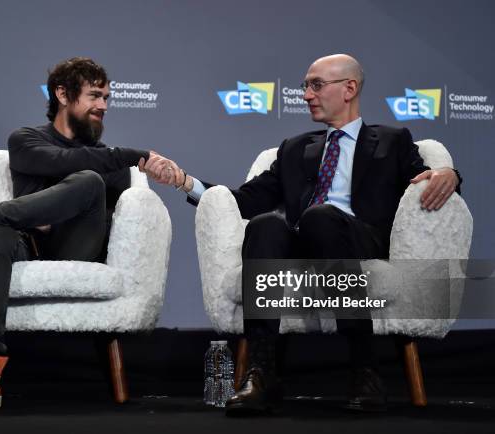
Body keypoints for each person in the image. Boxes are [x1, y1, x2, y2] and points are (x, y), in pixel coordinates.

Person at [143, 54, 462, 414]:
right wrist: (184, 182)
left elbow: (426, 179)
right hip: (304, 236)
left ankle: (364, 368)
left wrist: (450, 173)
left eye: (316, 85)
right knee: (265, 225)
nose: (306, 95)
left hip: (360, 238)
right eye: (304, 86)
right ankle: (262, 372)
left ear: (349, 88)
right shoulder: (295, 148)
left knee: (321, 217)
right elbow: (244, 201)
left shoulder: (392, 141)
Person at [0, 57, 161, 410]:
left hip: (77, 247)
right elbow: (59, 162)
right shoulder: (26, 140)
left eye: (107, 98)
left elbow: (90, 181)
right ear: (62, 93)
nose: (103, 106)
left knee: (88, 181)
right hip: (25, 244)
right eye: (94, 96)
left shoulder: (110, 160)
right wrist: (129, 157)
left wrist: (114, 164)